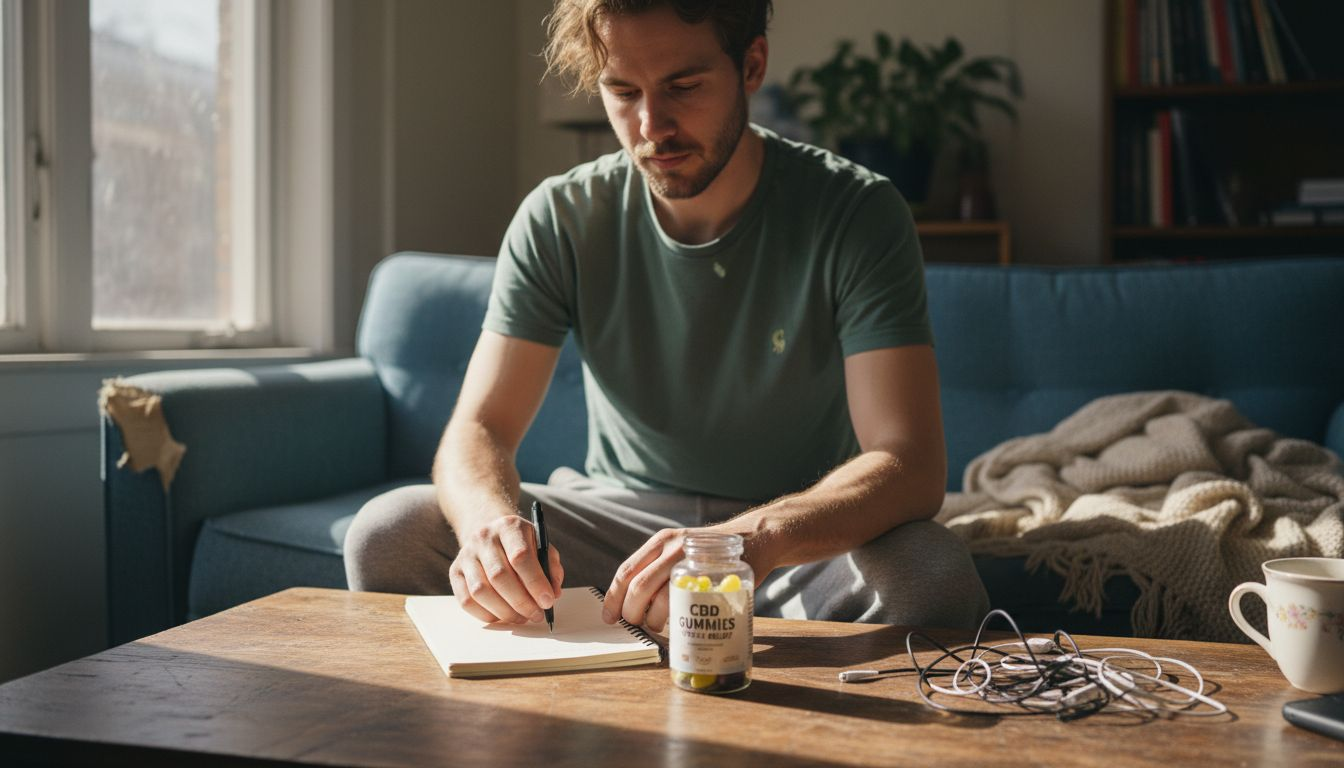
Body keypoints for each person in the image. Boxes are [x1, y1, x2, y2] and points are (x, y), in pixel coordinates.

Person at [344, 0, 989, 633]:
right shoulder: (561, 217)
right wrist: (490, 525)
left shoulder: (857, 213)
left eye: (684, 86)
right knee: (390, 533)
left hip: (792, 544)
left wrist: (747, 538)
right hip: (618, 530)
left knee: (932, 575)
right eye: (622, 91)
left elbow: (908, 462)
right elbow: (479, 427)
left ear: (752, 65)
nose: (652, 124)